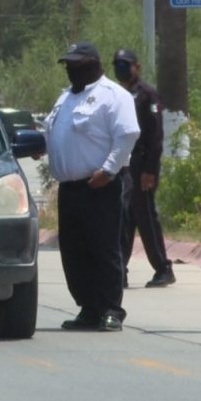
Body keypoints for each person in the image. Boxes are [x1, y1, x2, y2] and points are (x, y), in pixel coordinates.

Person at [43, 41, 140, 332]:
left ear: (94, 65)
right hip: (70, 188)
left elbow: (127, 135)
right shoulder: (66, 98)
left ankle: (111, 309)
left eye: (77, 65)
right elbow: (53, 132)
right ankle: (88, 307)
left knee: (104, 248)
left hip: (100, 186)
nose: (71, 70)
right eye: (69, 65)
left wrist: (109, 171)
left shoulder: (113, 96)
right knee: (74, 252)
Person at [112, 49, 176, 288]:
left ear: (136, 67)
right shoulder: (117, 94)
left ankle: (163, 268)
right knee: (125, 218)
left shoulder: (148, 96)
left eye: (125, 64)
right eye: (117, 64)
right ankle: (120, 270)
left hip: (142, 165)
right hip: (124, 164)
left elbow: (156, 135)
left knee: (145, 218)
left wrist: (150, 170)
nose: (121, 68)